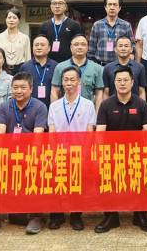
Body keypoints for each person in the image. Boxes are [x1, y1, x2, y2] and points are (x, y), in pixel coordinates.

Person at [95, 66, 147, 233]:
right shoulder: (106, 104)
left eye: (125, 80)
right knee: (107, 180)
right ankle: (111, 217)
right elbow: (100, 133)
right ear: (114, 83)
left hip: (136, 153)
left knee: (141, 180)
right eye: (119, 80)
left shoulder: (141, 104)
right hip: (112, 154)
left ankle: (140, 215)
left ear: (132, 82)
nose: (122, 83)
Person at [0, 72, 48, 234]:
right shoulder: (4, 107)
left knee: (37, 170)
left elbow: (38, 136)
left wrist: (30, 157)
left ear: (31, 89)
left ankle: (36, 216)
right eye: (15, 87)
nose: (19, 91)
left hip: (31, 153)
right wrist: (0, 155)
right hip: (9, 153)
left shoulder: (39, 107)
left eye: (23, 87)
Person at [48, 66, 97, 231]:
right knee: (58, 183)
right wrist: (55, 153)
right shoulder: (54, 106)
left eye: (72, 80)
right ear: (62, 82)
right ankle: (57, 215)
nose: (69, 83)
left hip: (79, 152)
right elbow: (52, 133)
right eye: (66, 80)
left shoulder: (88, 105)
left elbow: (90, 132)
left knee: (77, 183)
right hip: (60, 152)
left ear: (79, 82)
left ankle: (76, 215)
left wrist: (85, 153)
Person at [51, 33, 104, 109]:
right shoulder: (60, 67)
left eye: (83, 44)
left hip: (87, 110)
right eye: (76, 44)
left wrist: (97, 113)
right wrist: (56, 110)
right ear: (71, 48)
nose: (80, 47)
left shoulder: (97, 68)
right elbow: (54, 91)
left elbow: (99, 94)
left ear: (87, 47)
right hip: (65, 110)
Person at [88, 0, 134, 66]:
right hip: (100, 66)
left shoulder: (126, 25)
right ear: (105, 7)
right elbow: (91, 49)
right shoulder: (97, 25)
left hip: (120, 66)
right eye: (109, 4)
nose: (112, 7)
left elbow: (132, 45)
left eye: (115, 5)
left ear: (119, 8)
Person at [38, 0, 82, 64]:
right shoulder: (44, 26)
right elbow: (41, 44)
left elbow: (79, 44)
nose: (57, 6)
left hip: (69, 62)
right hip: (48, 63)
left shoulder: (74, 25)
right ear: (51, 6)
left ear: (65, 6)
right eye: (54, 3)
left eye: (60, 3)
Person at [103, 35, 146, 100]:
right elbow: (106, 92)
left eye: (126, 46)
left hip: (134, 104)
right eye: (120, 46)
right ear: (115, 49)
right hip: (113, 105)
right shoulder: (108, 68)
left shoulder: (140, 67)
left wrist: (143, 105)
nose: (123, 49)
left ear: (131, 49)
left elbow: (141, 91)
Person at [19, 35, 58, 107]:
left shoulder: (56, 67)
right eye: (36, 45)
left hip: (50, 107)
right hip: (29, 108)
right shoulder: (25, 67)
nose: (39, 47)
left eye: (42, 45)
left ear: (49, 48)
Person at [0, 6, 31, 74]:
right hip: (2, 69)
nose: (11, 20)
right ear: (6, 19)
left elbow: (28, 58)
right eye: (9, 17)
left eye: (14, 18)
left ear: (19, 20)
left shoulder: (25, 38)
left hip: (20, 69)